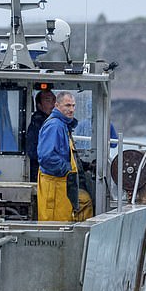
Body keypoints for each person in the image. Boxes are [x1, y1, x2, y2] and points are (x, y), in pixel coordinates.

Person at [37, 91, 93, 222]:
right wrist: (67, 169)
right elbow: (46, 157)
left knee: (80, 205)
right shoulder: (55, 126)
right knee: (54, 226)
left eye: (73, 106)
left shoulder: (63, 125)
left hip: (62, 185)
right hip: (54, 186)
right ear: (57, 105)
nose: (71, 109)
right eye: (67, 105)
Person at [26, 90, 56, 181]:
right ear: (39, 106)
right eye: (48, 100)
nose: (53, 104)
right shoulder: (38, 124)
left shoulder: (56, 123)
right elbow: (33, 152)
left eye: (54, 100)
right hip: (42, 175)